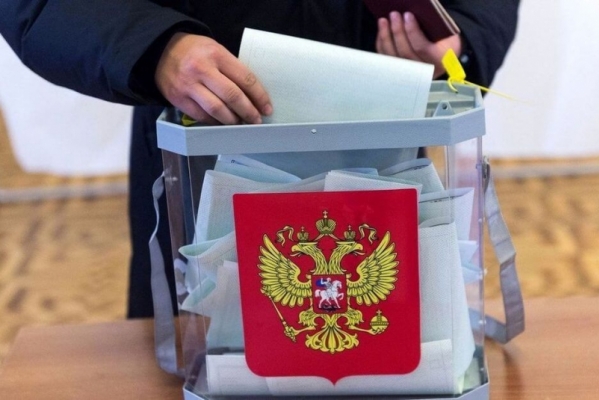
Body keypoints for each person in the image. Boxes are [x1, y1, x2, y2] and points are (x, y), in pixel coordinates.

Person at [0, 0, 520, 318]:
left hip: (381, 145)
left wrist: (461, 38)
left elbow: (473, 19)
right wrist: (157, 46)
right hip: (201, 156)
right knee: (208, 346)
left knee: (382, 346)